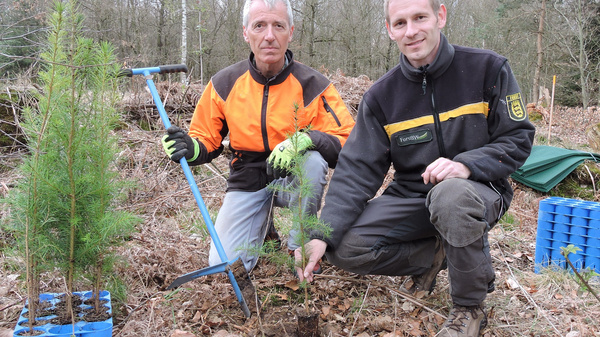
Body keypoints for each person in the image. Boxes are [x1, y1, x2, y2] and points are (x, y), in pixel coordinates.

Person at [294, 0, 535, 336]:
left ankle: (469, 308)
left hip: (478, 190)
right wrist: (322, 234)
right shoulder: (381, 96)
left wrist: (466, 164)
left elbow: (519, 138)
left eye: (420, 18)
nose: (411, 31)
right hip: (412, 199)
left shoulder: (488, 69)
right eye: (400, 23)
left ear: (441, 16)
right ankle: (437, 252)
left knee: (451, 197)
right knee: (344, 246)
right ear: (390, 30)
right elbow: (356, 170)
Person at [161, 0, 355, 273]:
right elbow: (206, 139)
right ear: (245, 32)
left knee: (312, 161)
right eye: (259, 26)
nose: (269, 36)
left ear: (291, 31)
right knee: (224, 266)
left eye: (278, 26)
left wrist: (305, 139)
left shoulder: (314, 85)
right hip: (248, 177)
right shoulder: (225, 83)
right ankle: (264, 230)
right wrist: (189, 148)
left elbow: (347, 140)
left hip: (292, 177)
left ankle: (298, 245)